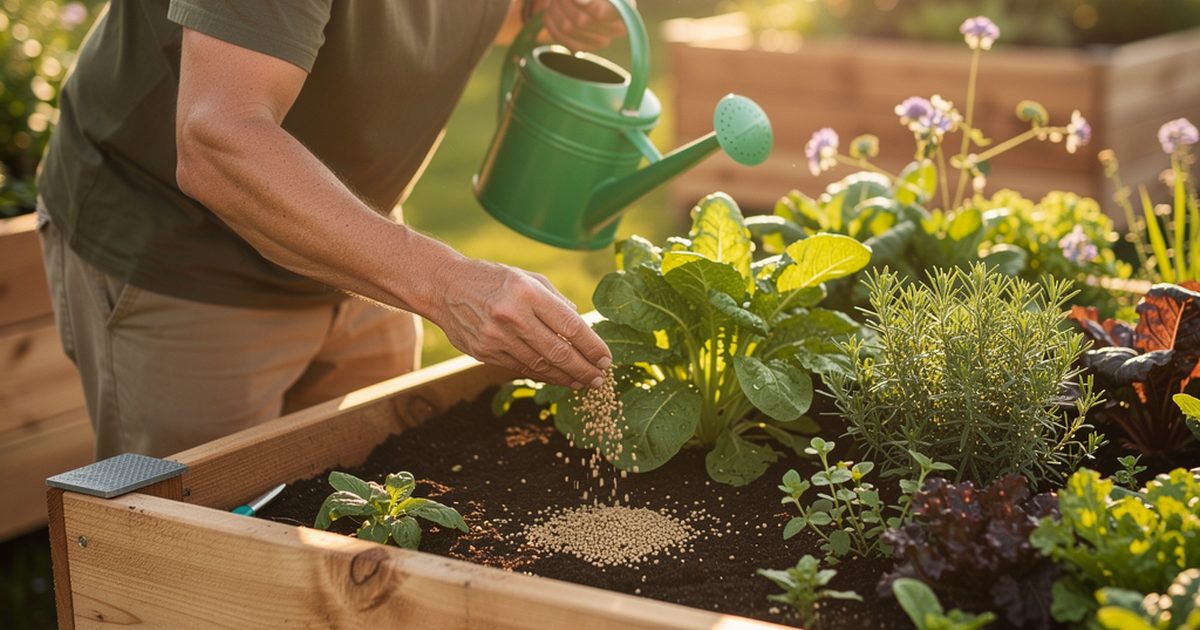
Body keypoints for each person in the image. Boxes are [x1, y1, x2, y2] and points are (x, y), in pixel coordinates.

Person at [35, 0, 623, 459]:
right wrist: (443, 282)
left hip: (356, 238)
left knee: (362, 530)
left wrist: (547, 13)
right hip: (186, 257)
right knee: (207, 561)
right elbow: (219, 139)